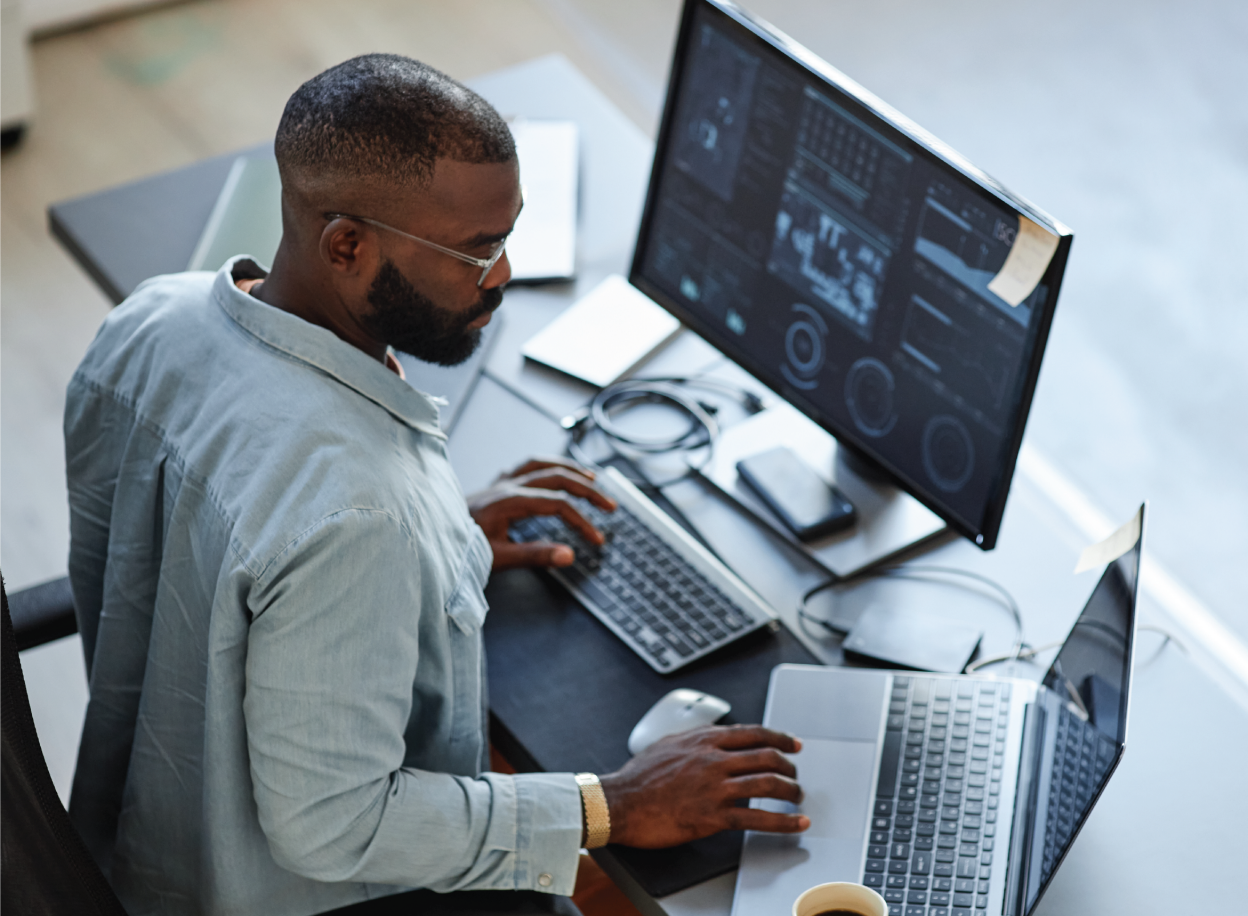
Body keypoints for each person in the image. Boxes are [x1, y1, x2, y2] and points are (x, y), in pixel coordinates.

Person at [63, 53, 809, 916]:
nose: (502, 276)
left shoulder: (151, 318)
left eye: (508, 235)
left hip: (145, 827)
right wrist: (613, 803)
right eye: (474, 252)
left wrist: (437, 541)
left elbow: (228, 540)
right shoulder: (357, 514)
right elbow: (332, 826)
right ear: (346, 244)